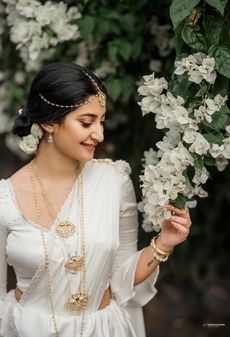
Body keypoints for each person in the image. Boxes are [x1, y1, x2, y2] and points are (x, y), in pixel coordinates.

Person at [0, 63, 192, 337]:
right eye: (87, 122)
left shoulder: (114, 182)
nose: (99, 135)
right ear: (49, 122)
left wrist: (162, 245)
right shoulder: (5, 199)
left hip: (102, 329)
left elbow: (122, 280)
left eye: (101, 122)